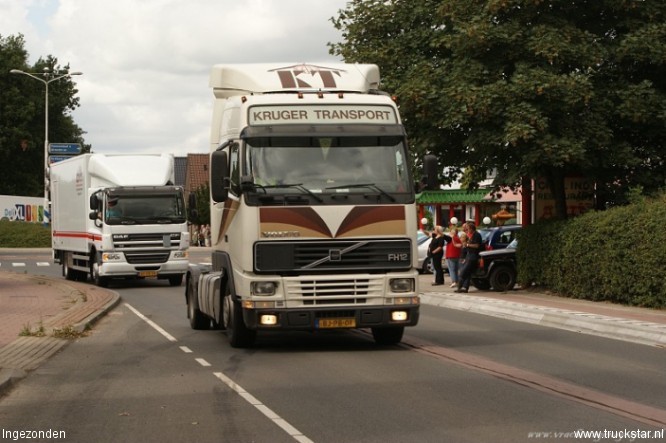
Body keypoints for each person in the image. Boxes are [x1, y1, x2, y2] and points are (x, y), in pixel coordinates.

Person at [456, 222, 483, 293]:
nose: (467, 230)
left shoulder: (477, 235)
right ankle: (464, 288)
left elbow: (477, 245)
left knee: (464, 272)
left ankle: (460, 287)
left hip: (473, 256)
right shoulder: (471, 235)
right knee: (467, 272)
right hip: (469, 255)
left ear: (471, 229)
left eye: (468, 229)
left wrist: (467, 245)